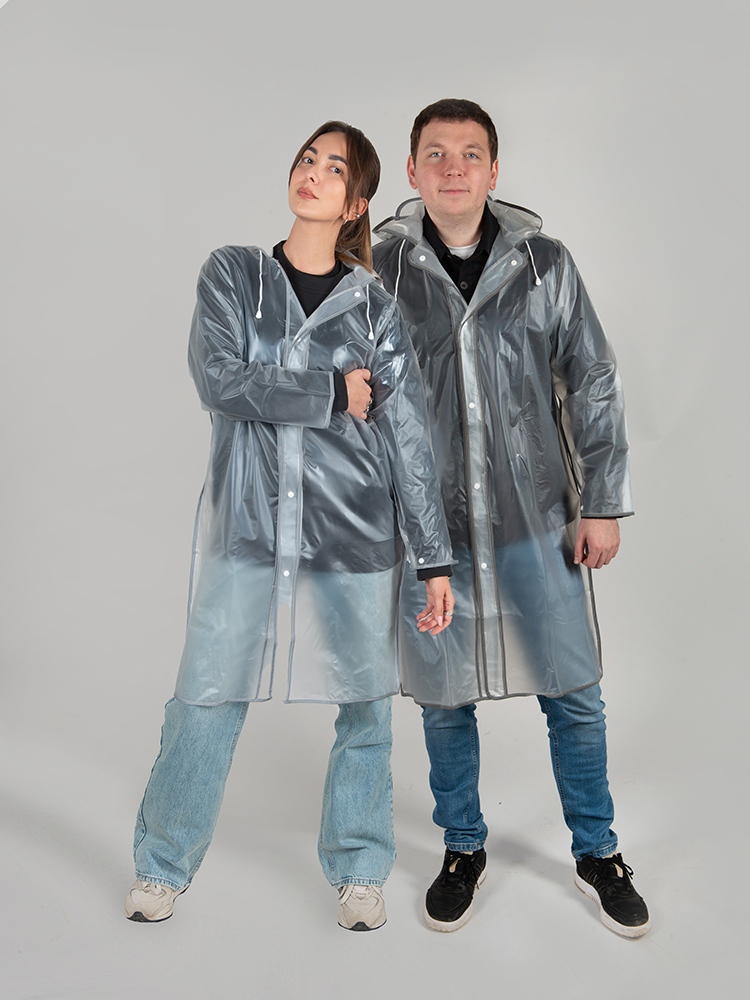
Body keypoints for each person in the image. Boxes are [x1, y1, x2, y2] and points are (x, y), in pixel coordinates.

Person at [125, 120, 455, 932]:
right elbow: (219, 379)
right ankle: (162, 864)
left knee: (366, 701)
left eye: (333, 168)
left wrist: (434, 558)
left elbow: (408, 435)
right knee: (207, 689)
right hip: (249, 525)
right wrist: (330, 393)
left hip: (354, 530)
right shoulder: (235, 275)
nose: (312, 172)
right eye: (308, 159)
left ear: (357, 203)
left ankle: (360, 869)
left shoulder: (374, 307)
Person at [372, 98, 650, 938]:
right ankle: (463, 846)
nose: (453, 167)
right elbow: (360, 399)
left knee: (574, 689)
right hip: (431, 533)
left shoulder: (543, 264)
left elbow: (591, 379)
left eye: (470, 153)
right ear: (413, 170)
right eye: (436, 153)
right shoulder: (380, 272)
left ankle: (598, 850)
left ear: (493, 170)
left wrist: (600, 503)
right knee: (441, 695)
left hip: (537, 518)